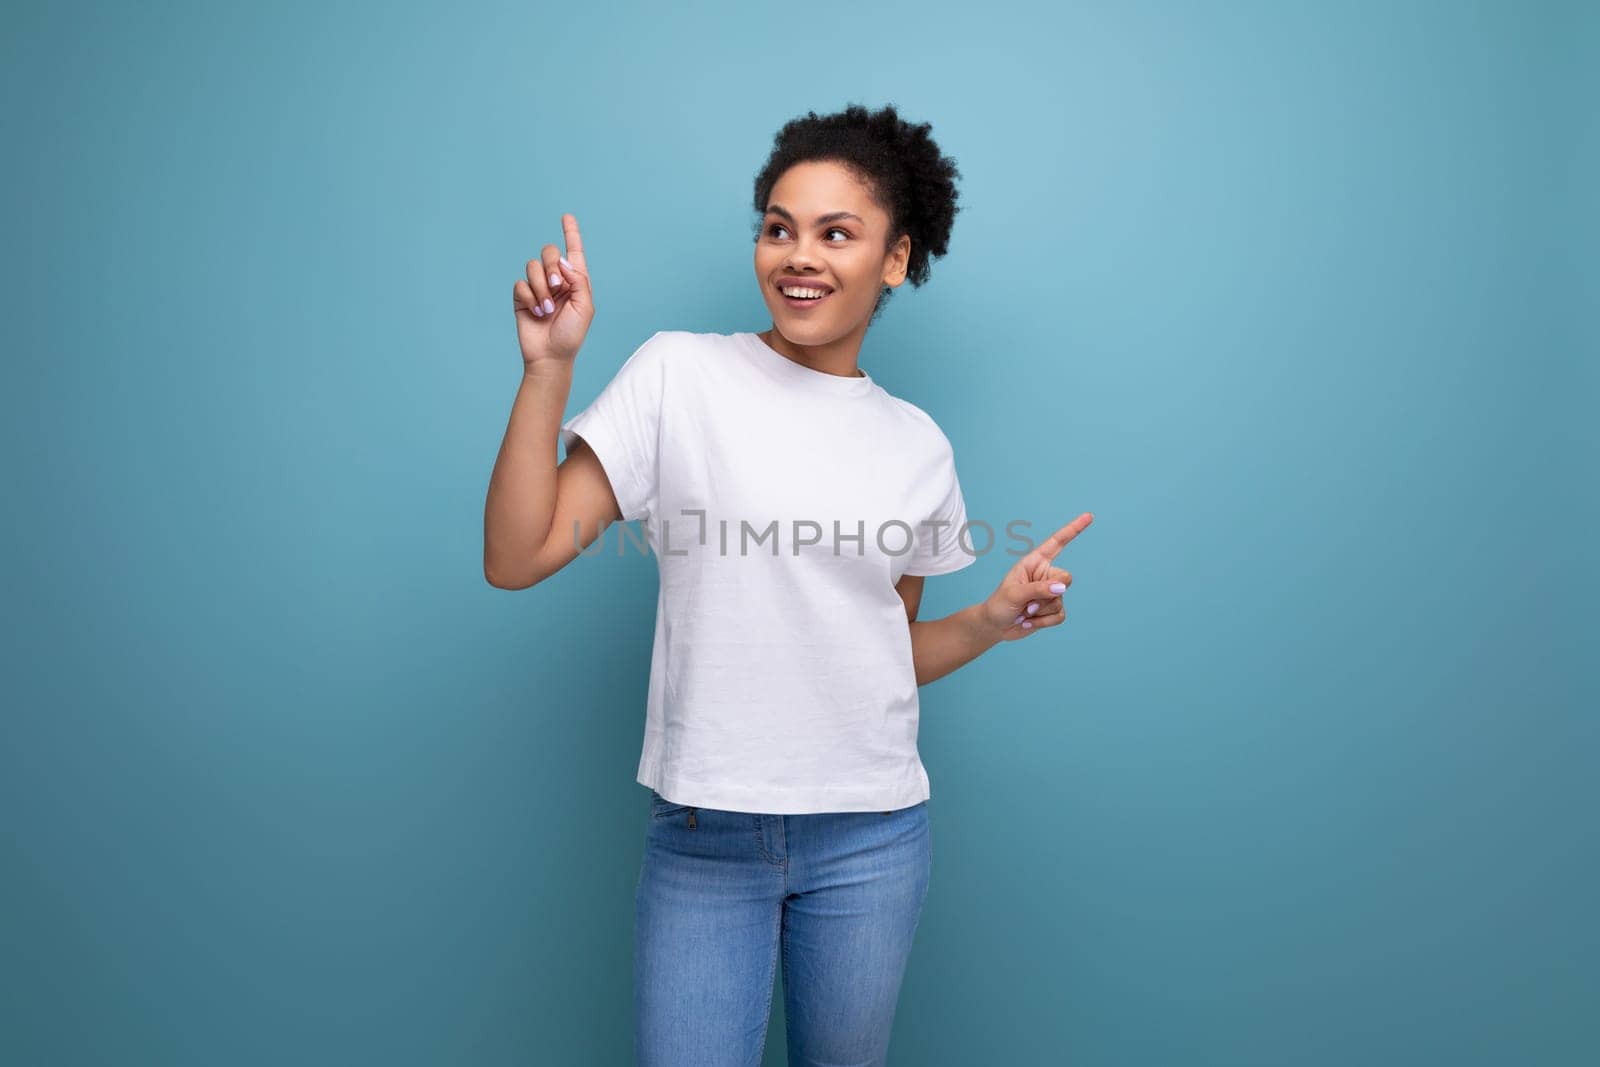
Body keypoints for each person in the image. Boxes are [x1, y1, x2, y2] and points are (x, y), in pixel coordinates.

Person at [484, 102, 1093, 1067]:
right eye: (779, 227)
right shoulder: (679, 375)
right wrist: (548, 371)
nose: (798, 255)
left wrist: (987, 619)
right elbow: (516, 557)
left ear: (895, 259)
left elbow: (882, 656)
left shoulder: (916, 444)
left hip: (871, 838)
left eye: (836, 233)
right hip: (705, 837)